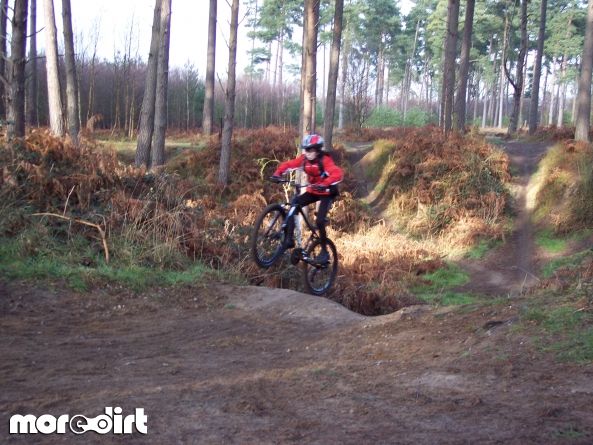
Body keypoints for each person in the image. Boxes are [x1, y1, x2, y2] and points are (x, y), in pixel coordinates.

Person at [272, 134, 343, 264]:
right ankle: (289, 240)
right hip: (313, 191)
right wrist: (278, 173)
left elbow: (337, 173)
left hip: (327, 193)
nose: (307, 152)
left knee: (320, 221)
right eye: (306, 149)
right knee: (294, 204)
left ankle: (324, 252)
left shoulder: (325, 161)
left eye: (310, 149)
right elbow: (289, 164)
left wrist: (325, 183)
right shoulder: (304, 160)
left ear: (317, 150)